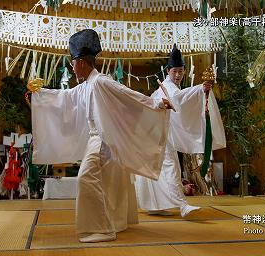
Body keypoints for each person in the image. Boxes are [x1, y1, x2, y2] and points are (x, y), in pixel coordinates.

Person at [30, 29, 173, 243]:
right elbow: (66, 98)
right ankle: (115, 223)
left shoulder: (100, 82)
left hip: (103, 139)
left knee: (86, 178)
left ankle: (103, 229)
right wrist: (39, 97)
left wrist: (155, 103)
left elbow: (128, 95)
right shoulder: (86, 85)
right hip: (98, 139)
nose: (71, 66)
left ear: (81, 62)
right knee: (108, 182)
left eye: (73, 62)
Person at [135, 44, 226, 218]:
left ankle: (155, 205)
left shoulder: (171, 87)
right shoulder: (168, 87)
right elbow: (178, 100)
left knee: (161, 170)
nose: (178, 75)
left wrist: (199, 91)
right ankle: (183, 206)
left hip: (157, 134)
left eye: (180, 71)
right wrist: (199, 89)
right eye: (174, 71)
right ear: (168, 71)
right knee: (170, 168)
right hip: (155, 135)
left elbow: (179, 102)